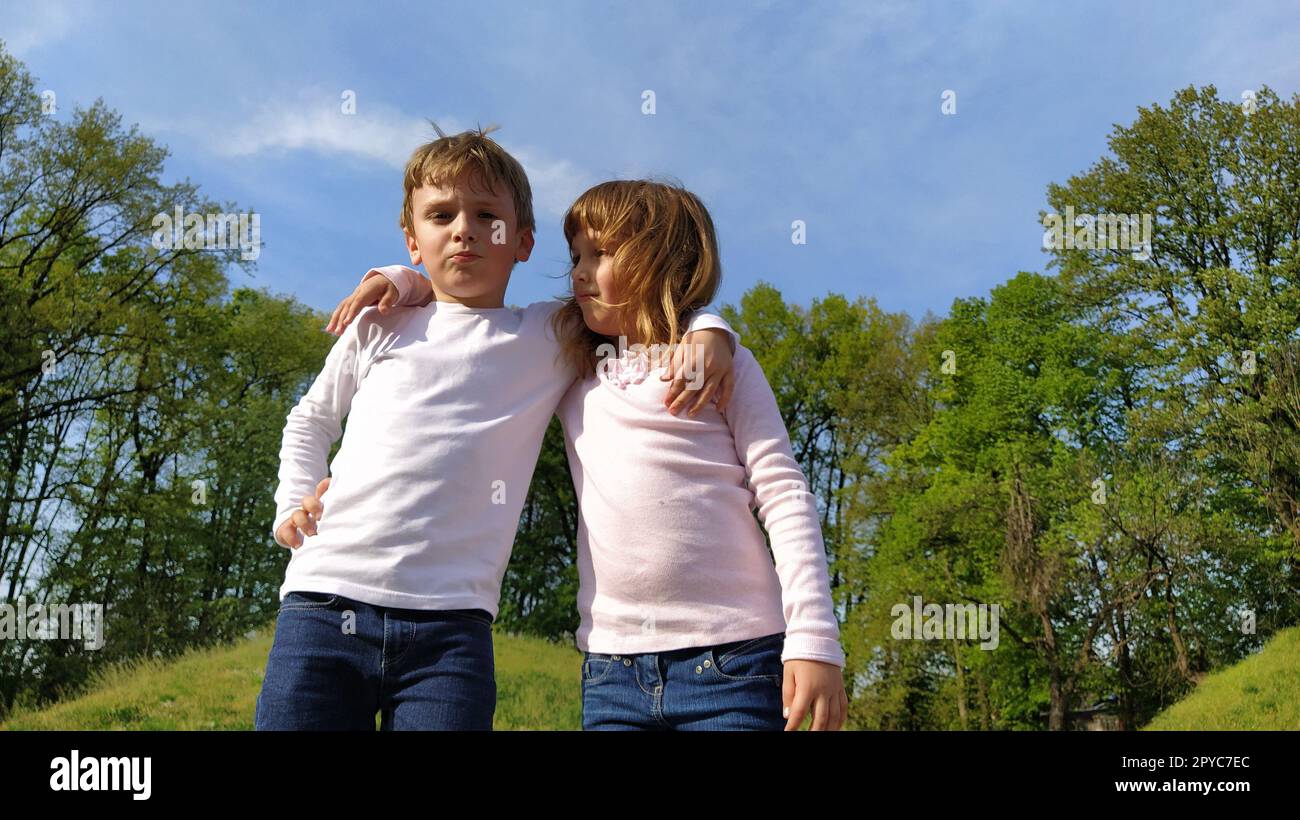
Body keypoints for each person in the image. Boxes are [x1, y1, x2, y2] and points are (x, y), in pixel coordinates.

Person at [256, 129, 736, 730]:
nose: (464, 229)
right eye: (440, 215)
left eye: (488, 216)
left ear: (525, 241)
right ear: (412, 238)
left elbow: (640, 304)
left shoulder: (548, 336)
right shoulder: (377, 325)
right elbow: (310, 419)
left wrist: (710, 326)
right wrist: (290, 501)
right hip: (324, 601)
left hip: (452, 630)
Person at [336, 179, 847, 730]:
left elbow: (784, 494)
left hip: (735, 660)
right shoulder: (574, 366)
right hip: (612, 672)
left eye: (600, 254)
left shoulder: (721, 367)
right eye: (577, 255)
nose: (578, 271)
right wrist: (397, 278)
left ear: (664, 259)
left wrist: (813, 640)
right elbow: (466, 314)